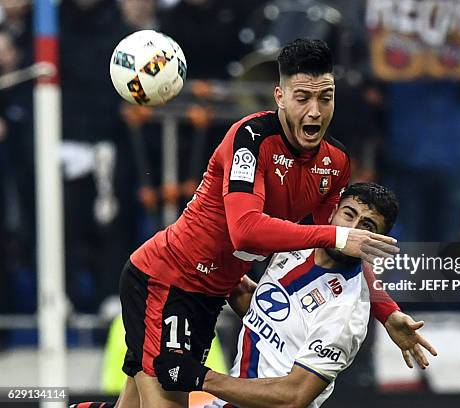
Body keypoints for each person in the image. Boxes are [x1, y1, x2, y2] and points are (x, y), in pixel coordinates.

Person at [113, 39, 417, 408]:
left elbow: (337, 249)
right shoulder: (251, 140)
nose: (315, 111)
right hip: (168, 278)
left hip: (211, 293)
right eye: (302, 97)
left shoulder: (334, 163)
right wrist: (336, 234)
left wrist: (387, 312)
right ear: (280, 96)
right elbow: (247, 228)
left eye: (326, 97)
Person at [153, 183, 437, 408]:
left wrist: (201, 377)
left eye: (367, 227)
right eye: (349, 214)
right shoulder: (298, 241)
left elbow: (292, 397)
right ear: (334, 212)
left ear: (378, 242)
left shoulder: (346, 314)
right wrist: (219, 274)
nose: (352, 230)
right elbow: (268, 312)